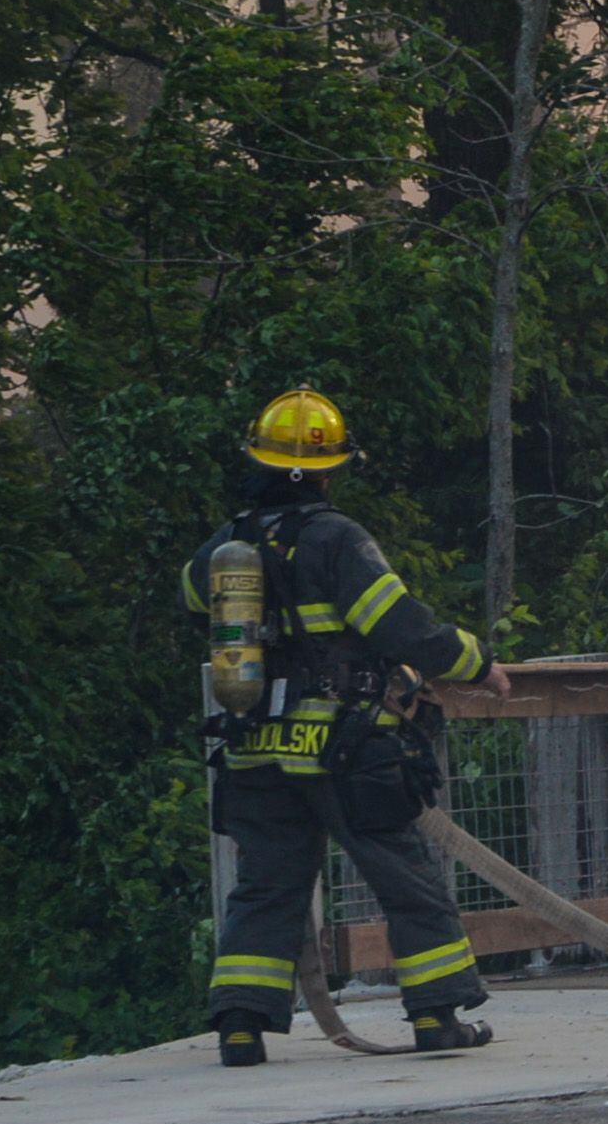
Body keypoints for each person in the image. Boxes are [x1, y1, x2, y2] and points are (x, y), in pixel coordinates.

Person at [185, 390, 507, 1066]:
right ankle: (436, 1014)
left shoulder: (230, 543)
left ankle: (240, 1026)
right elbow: (399, 622)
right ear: (329, 469)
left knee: (265, 886)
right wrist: (478, 664)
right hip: (343, 745)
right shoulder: (339, 539)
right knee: (404, 876)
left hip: (254, 748)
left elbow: (190, 590)